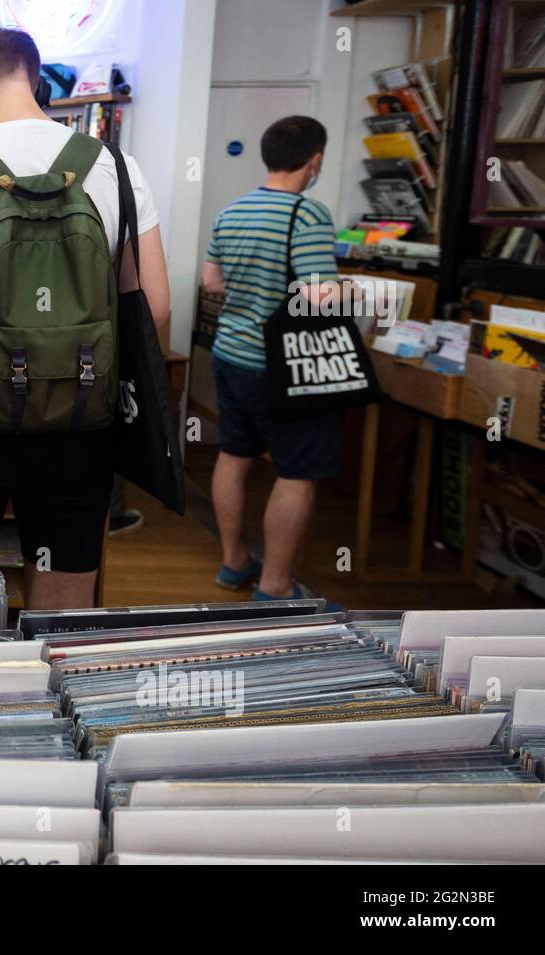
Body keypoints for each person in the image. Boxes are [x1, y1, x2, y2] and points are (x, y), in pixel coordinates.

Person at [0, 27, 169, 611]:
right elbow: (155, 306)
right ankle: (57, 684)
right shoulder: (118, 169)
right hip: (80, 418)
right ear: (38, 78)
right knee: (65, 595)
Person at [200, 115, 339, 601]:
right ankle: (275, 586)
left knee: (234, 455)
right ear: (315, 160)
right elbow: (320, 297)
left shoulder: (232, 210)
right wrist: (354, 290)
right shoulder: (308, 215)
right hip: (284, 367)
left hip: (230, 355)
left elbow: (211, 283)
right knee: (297, 470)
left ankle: (234, 561)